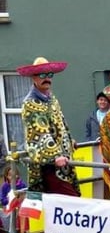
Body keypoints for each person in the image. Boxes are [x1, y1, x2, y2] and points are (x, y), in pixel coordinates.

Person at [17, 56, 80, 196]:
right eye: (42, 75)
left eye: (49, 75)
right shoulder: (30, 103)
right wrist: (55, 156)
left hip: (64, 161)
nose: (47, 78)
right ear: (33, 78)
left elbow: (61, 123)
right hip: (50, 164)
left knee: (67, 201)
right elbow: (39, 133)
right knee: (68, 200)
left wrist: (70, 140)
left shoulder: (51, 98)